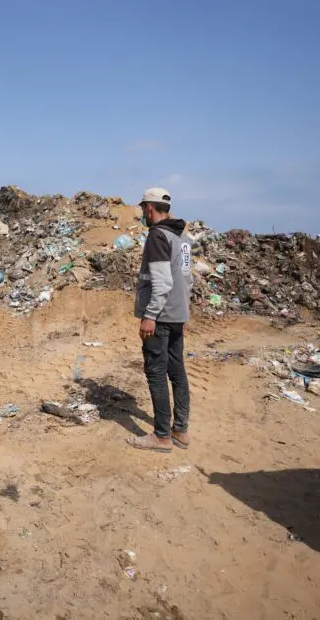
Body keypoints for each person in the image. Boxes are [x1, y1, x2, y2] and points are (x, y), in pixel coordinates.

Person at [127, 187, 194, 453]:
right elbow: (188, 278)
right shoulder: (184, 238)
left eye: (143, 208)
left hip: (161, 316)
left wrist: (150, 315)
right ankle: (181, 430)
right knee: (177, 371)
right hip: (178, 314)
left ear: (150, 208)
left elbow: (163, 281)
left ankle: (162, 436)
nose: (142, 213)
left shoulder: (157, 236)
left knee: (156, 371)